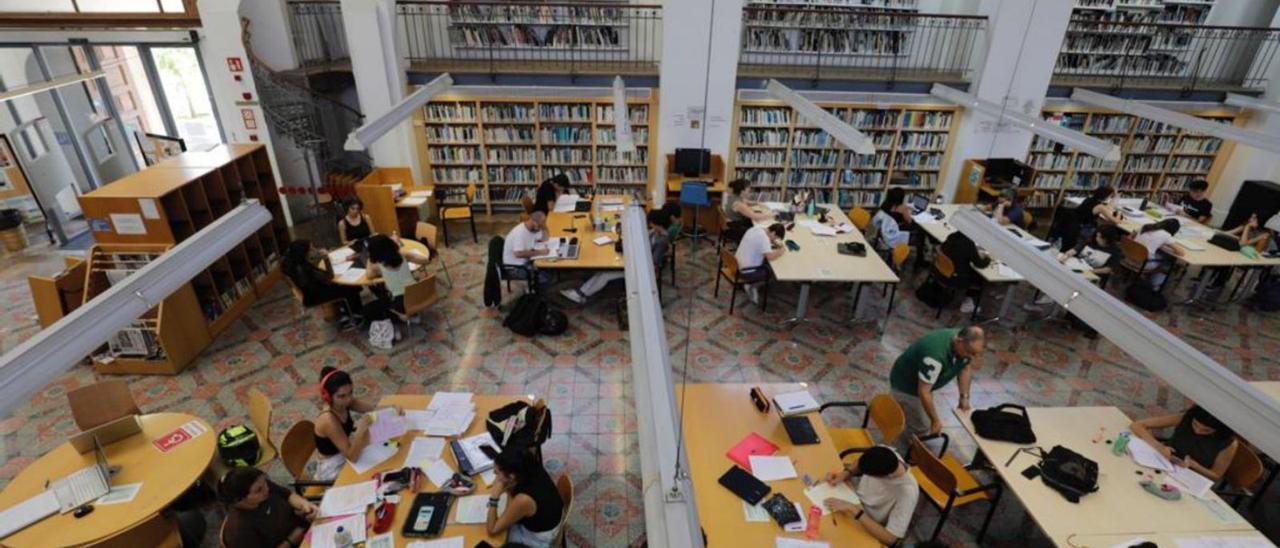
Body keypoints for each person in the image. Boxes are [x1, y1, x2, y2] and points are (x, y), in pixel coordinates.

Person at [888, 326, 984, 450]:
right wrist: (935, 420)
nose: (972, 357)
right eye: (970, 352)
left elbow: (965, 367)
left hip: (923, 385)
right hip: (906, 385)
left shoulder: (964, 342)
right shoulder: (935, 355)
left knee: (917, 416)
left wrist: (964, 397)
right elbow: (923, 391)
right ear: (959, 341)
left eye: (976, 353)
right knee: (921, 425)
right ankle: (905, 450)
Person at [562, 210, 669, 304]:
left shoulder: (662, 240)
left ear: (657, 224)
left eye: (652, 224)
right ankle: (581, 292)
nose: (650, 225)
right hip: (636, 261)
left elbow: (653, 261)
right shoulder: (655, 232)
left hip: (642, 271)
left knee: (605, 274)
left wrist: (634, 257)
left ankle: (581, 295)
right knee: (602, 272)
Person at [822, 446, 918, 546]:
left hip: (866, 522)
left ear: (883, 477)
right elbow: (860, 462)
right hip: (853, 501)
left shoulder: (907, 493)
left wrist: (854, 510)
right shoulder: (885, 451)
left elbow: (891, 539)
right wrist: (846, 473)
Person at [1130, 405, 1239, 482]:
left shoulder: (1228, 443)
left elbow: (1216, 476)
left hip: (1188, 478)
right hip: (1162, 462)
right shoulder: (1185, 418)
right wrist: (1159, 446)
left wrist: (1194, 465)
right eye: (1195, 424)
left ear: (1219, 430)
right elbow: (1137, 425)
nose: (1198, 431)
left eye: (1206, 430)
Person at [218, 466, 318, 548]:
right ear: (238, 500)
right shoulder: (239, 531)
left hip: (303, 527)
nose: (267, 489)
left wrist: (305, 505)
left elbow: (288, 495)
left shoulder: (261, 485)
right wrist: (291, 540)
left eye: (265, 482)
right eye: (258, 490)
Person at [485, 448, 565, 547]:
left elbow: (492, 530)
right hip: (548, 519)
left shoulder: (523, 499)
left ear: (511, 477)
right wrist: (507, 486)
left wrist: (494, 497)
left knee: (495, 542)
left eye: (497, 472)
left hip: (538, 539)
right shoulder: (530, 467)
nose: (494, 474)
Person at [313, 366, 377, 481]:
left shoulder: (344, 401)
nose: (348, 399)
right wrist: (360, 431)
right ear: (327, 397)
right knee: (374, 474)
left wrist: (392, 408)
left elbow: (373, 409)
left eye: (350, 393)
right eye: (341, 396)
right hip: (331, 466)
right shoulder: (328, 419)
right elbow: (352, 457)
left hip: (344, 451)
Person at [282, 240, 364, 327]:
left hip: (309, 293)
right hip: (314, 296)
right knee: (350, 285)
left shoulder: (294, 264)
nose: (314, 250)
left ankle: (348, 310)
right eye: (311, 249)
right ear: (304, 253)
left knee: (343, 284)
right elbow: (329, 277)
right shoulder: (303, 268)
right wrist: (326, 258)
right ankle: (356, 315)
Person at [366, 233, 432, 326]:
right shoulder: (403, 255)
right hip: (416, 293)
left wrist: (369, 259)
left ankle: (399, 319)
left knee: (368, 309)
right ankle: (412, 313)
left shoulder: (378, 265)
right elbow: (425, 260)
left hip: (400, 303)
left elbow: (369, 275)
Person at [939, 231, 991, 314]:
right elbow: (980, 264)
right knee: (982, 279)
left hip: (939, 270)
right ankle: (968, 302)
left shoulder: (952, 236)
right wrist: (988, 258)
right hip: (955, 278)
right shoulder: (968, 244)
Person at [735, 222, 787, 304]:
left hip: (736, 264)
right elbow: (771, 257)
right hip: (747, 272)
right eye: (775, 238)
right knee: (773, 272)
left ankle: (751, 284)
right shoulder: (764, 239)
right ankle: (751, 286)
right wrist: (781, 251)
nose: (773, 240)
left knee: (766, 261)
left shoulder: (756, 229)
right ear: (773, 233)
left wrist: (772, 243)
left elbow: (762, 244)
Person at [503, 211, 553, 290]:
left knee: (550, 271)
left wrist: (544, 226)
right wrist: (540, 252)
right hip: (516, 268)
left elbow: (545, 238)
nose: (540, 228)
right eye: (540, 225)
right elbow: (518, 254)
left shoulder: (533, 228)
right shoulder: (520, 233)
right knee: (546, 278)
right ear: (534, 222)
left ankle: (539, 289)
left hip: (526, 263)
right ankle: (541, 296)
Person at [1134, 218, 1187, 289]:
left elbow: (1132, 234)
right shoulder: (1166, 235)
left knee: (1159, 253)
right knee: (1169, 260)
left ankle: (1149, 278)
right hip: (1143, 263)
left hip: (1129, 255)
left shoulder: (1146, 226)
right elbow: (1181, 253)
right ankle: (1155, 284)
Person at [723, 178, 775, 243]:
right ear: (742, 191)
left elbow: (747, 202)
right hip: (734, 228)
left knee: (757, 224)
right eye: (748, 189)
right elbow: (754, 216)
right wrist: (770, 214)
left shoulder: (734, 196)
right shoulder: (738, 204)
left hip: (733, 223)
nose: (750, 191)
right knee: (761, 232)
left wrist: (757, 203)